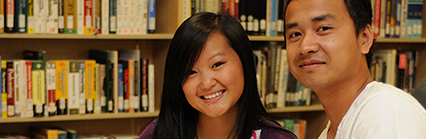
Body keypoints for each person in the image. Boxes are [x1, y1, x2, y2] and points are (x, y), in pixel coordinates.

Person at [139, 12, 296, 139]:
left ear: (245, 62)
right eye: (190, 72)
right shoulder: (157, 134)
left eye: (217, 65)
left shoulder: (276, 137)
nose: (206, 83)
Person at [284, 0, 426, 138]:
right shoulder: (333, 129)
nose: (305, 47)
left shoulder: (387, 113)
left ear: (364, 38)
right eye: (295, 34)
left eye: (323, 29)